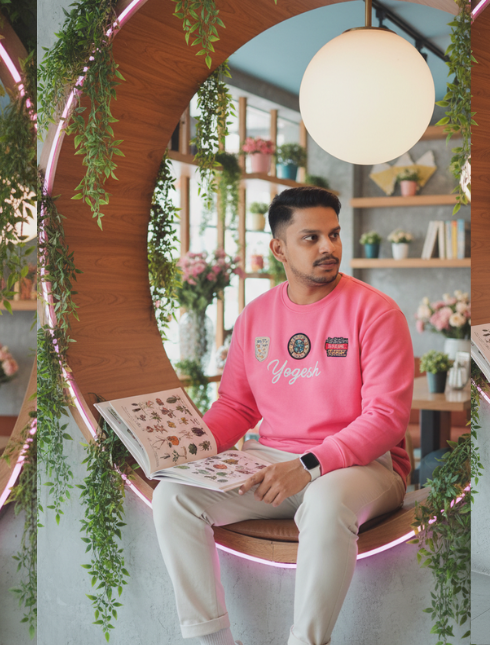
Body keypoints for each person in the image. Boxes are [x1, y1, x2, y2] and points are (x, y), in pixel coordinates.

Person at [152, 186, 414, 645]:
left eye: (333, 235)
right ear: (279, 248)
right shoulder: (255, 317)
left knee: (327, 501)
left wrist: (308, 466)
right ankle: (210, 639)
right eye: (311, 238)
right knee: (174, 497)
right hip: (270, 459)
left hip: (364, 466)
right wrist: (184, 449)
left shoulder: (376, 312)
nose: (328, 247)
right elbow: (236, 407)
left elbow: (385, 419)